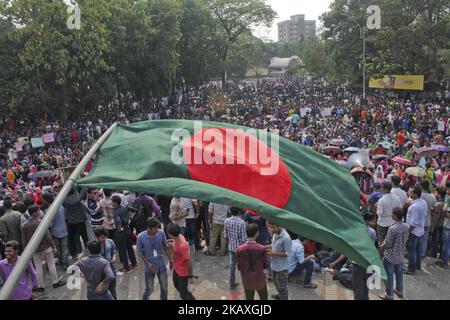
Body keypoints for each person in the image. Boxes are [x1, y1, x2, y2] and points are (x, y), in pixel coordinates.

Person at [21, 205, 65, 291]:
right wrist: (53, 246)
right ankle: (55, 282)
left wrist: (26, 251)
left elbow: (24, 240)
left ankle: (40, 286)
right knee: (51, 264)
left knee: (38, 267)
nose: (39, 211)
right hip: (46, 247)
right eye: (38, 210)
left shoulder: (24, 225)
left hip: (34, 249)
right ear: (34, 212)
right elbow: (48, 236)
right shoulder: (41, 222)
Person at [379, 207, 409, 300]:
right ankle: (399, 291)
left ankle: (389, 295)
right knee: (399, 274)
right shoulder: (406, 226)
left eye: (392, 213)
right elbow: (406, 239)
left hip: (390, 256)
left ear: (395, 216)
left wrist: (381, 247)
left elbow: (388, 243)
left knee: (389, 275)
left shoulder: (393, 228)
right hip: (400, 255)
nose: (391, 215)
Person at [137, 217, 169, 300]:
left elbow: (165, 247)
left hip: (161, 265)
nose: (157, 230)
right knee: (149, 289)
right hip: (149, 268)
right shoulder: (140, 237)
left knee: (164, 288)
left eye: (158, 227)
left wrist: (170, 259)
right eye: (155, 228)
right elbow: (139, 252)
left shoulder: (161, 233)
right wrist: (148, 264)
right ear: (149, 228)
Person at [236, 223, 268, 300]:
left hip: (247, 279)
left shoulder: (239, 249)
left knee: (249, 298)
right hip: (259, 279)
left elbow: (239, 266)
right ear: (257, 233)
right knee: (264, 297)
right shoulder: (261, 248)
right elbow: (265, 265)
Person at [167, 223, 195, 300]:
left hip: (183, 272)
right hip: (176, 268)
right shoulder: (179, 236)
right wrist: (171, 241)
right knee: (176, 284)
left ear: (170, 234)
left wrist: (190, 276)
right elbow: (175, 242)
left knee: (183, 292)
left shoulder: (182, 246)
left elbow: (189, 261)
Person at [111, 195, 138, 273]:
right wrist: (130, 218)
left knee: (122, 250)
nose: (111, 203)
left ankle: (126, 268)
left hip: (121, 233)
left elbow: (118, 221)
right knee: (129, 247)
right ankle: (134, 263)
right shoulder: (125, 207)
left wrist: (119, 229)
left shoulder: (116, 212)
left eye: (112, 202)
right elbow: (135, 210)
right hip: (128, 230)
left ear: (115, 203)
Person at [266, 222, 292, 300]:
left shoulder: (286, 238)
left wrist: (274, 254)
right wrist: (269, 246)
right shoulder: (275, 233)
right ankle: (280, 295)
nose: (272, 230)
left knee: (282, 288)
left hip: (281, 268)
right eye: (271, 227)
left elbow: (288, 253)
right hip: (274, 266)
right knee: (277, 284)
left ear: (279, 226)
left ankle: (283, 297)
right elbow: (275, 245)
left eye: (274, 227)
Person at [43, 193, 69, 269]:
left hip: (55, 232)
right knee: (64, 248)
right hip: (64, 230)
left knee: (58, 248)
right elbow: (64, 217)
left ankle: (60, 261)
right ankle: (65, 263)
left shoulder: (48, 211)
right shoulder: (61, 206)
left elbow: (50, 224)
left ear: (45, 201)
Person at [405, 186, 428, 274]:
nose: (408, 193)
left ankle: (411, 269)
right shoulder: (423, 202)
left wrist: (408, 231)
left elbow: (413, 222)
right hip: (420, 230)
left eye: (410, 192)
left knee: (412, 250)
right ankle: (417, 265)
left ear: (415, 194)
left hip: (414, 231)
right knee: (417, 250)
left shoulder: (415, 206)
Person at [224, 207, 246, 289]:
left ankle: (231, 284)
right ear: (239, 211)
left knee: (232, 265)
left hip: (231, 246)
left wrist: (228, 245)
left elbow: (225, 235)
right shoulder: (242, 223)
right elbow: (244, 239)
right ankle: (245, 284)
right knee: (243, 266)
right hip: (240, 248)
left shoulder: (226, 221)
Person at [63, 188, 88, 259]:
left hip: (71, 222)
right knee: (84, 237)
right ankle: (88, 251)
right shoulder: (78, 197)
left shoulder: (64, 200)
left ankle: (74, 254)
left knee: (71, 239)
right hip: (80, 221)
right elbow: (84, 191)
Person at [93, 228, 117, 299]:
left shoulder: (110, 242)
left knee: (113, 290)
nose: (104, 239)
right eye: (102, 238)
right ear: (97, 237)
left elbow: (114, 251)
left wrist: (114, 257)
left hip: (111, 269)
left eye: (105, 237)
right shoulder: (93, 246)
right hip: (100, 273)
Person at [376, 181, 402, 246]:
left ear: (385, 189)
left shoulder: (381, 200)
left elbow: (379, 213)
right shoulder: (397, 198)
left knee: (382, 242)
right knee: (392, 242)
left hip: (383, 223)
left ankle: (383, 255)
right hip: (393, 222)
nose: (381, 189)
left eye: (382, 188)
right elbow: (400, 209)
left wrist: (377, 207)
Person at [420, 180, 436, 258]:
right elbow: (435, 209)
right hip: (428, 221)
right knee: (425, 238)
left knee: (417, 238)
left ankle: (417, 253)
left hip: (419, 221)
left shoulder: (419, 195)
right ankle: (422, 253)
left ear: (421, 186)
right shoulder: (432, 197)